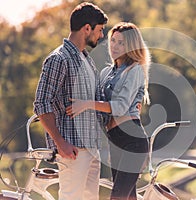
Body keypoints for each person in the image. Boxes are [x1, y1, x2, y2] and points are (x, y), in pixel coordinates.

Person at [66, 22, 151, 200]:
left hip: (133, 140)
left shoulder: (134, 70)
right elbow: (97, 99)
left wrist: (87, 104)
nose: (115, 46)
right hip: (115, 140)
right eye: (113, 41)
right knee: (128, 196)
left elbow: (119, 107)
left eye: (121, 43)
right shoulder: (106, 72)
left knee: (117, 196)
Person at [33, 2, 108, 200]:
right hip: (72, 150)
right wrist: (60, 142)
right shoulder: (59, 59)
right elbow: (42, 102)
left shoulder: (86, 59)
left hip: (92, 149)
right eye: (99, 30)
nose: (101, 36)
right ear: (86, 29)